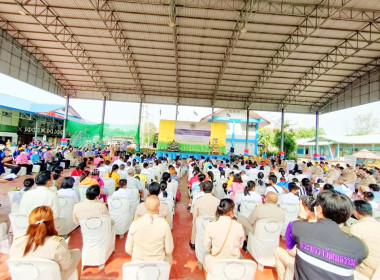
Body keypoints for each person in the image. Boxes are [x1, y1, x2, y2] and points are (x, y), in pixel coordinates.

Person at [286, 191, 368, 280]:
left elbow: (289, 247)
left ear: (319, 209)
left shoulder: (297, 227)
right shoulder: (359, 247)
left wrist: (302, 217)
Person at [9, 206, 81, 280]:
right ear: (52, 223)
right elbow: (66, 266)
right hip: (51, 277)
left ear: (30, 222)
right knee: (76, 253)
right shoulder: (56, 243)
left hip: (24, 277)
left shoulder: (17, 242)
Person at [125, 195, 174, 263]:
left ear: (145, 206)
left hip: (138, 263)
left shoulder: (135, 223)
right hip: (159, 263)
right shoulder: (164, 224)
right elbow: (169, 250)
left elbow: (128, 249)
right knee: (170, 257)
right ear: (159, 207)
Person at [203, 198, 245, 273]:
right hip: (233, 261)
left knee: (205, 257)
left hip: (216, 262)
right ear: (231, 212)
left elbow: (206, 246)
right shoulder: (238, 226)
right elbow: (241, 245)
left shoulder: (211, 225)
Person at [350, 200, 380, 279]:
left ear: (355, 212)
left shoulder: (357, 227)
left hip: (366, 273)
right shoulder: (378, 224)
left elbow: (353, 252)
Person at [190, 181, 220, 250]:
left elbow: (195, 216)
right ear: (212, 190)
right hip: (213, 223)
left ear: (202, 189)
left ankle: (193, 242)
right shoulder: (218, 201)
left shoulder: (198, 201)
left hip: (200, 223)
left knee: (194, 222)